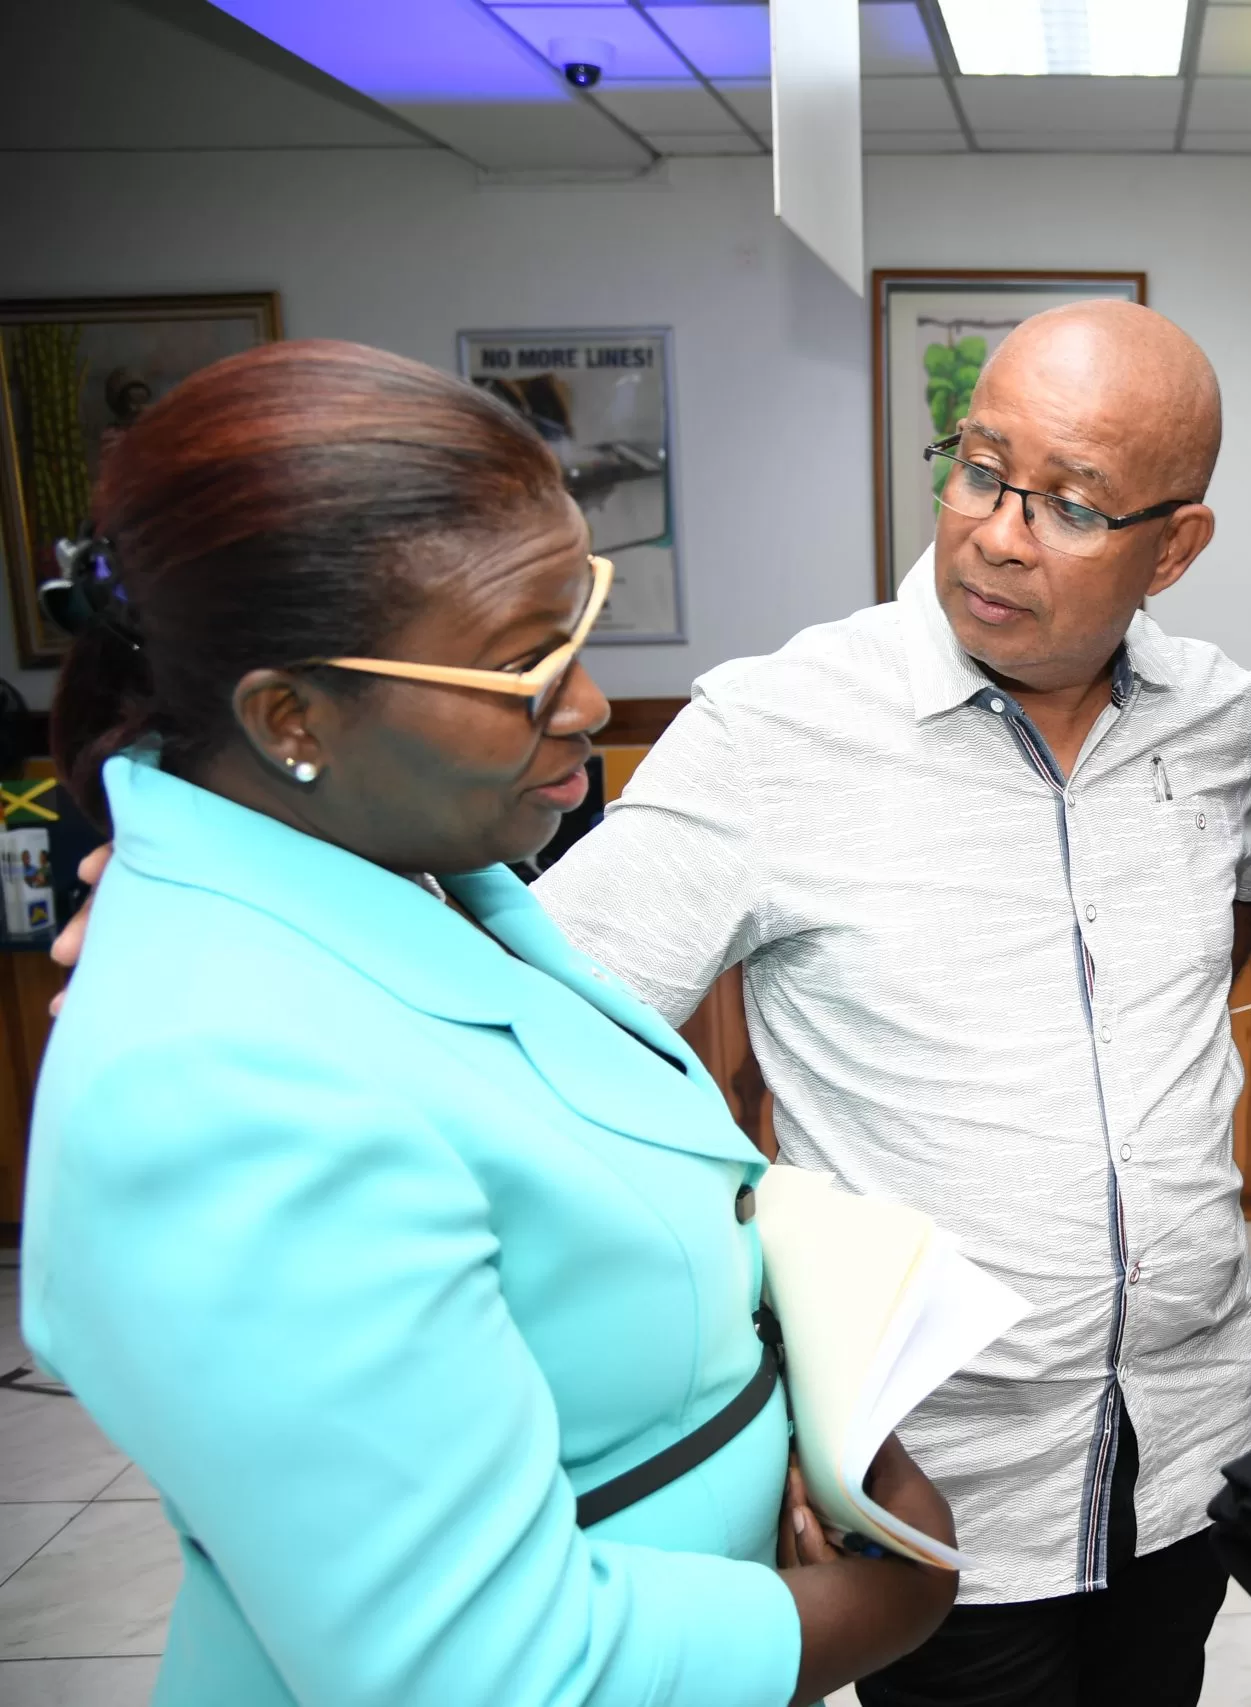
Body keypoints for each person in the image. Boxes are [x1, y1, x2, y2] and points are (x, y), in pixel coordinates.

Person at [21, 340, 954, 1706]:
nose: (587, 701)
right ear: (293, 717)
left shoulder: (426, 870)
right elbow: (489, 1670)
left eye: (582, 622)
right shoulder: (214, 1081)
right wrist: (887, 1602)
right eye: (525, 663)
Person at [533, 299, 1251, 1707]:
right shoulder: (775, 727)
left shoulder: (1226, 723)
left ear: (1175, 546)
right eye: (980, 468)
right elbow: (548, 1012)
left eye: (1069, 504)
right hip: (933, 1482)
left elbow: (1226, 924)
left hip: (1186, 1449)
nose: (998, 530)